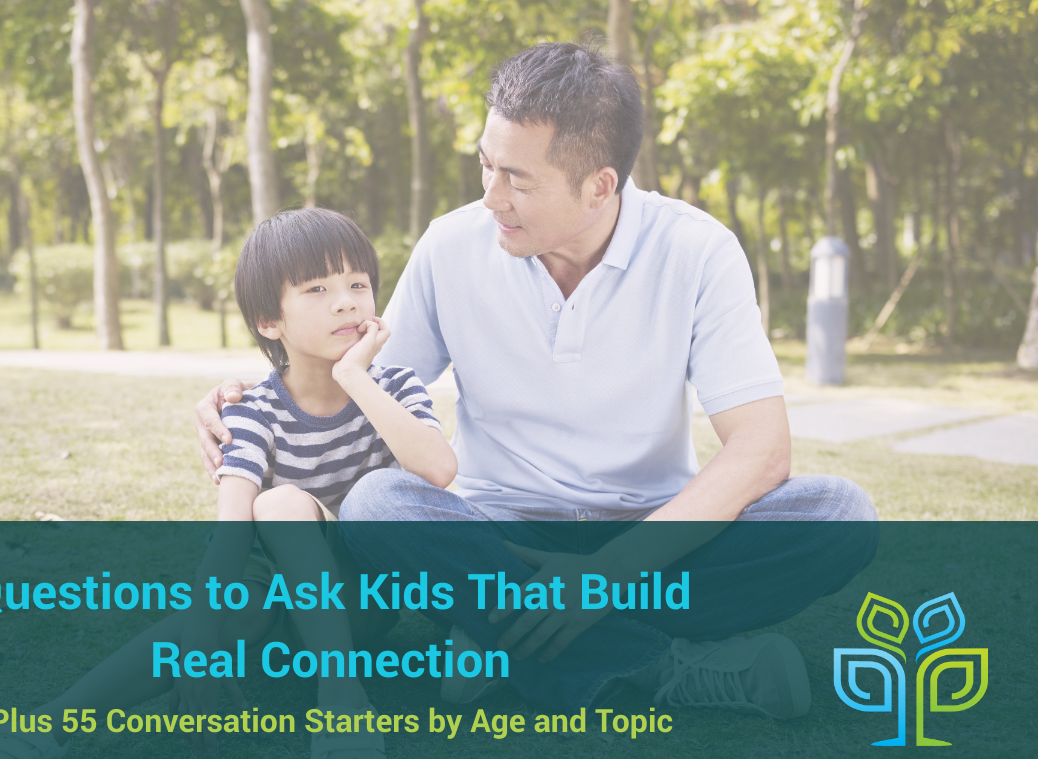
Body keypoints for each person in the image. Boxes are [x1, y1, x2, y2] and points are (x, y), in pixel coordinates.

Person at [195, 43, 878, 722]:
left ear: (599, 186)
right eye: (485, 165)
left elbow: (760, 450)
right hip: (493, 538)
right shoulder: (451, 246)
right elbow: (358, 381)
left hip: (648, 540)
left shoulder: (697, 251)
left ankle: (503, 647)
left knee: (839, 516)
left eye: (516, 180)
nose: (490, 196)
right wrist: (255, 396)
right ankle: (660, 668)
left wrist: (607, 574)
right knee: (381, 504)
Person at [0, 208, 456, 759]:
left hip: (364, 596)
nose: (346, 302)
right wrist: (203, 641)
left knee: (282, 507)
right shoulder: (254, 411)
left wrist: (357, 376)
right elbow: (232, 534)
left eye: (358, 284)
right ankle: (43, 731)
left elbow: (438, 468)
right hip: (276, 601)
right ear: (268, 320)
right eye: (318, 289)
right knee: (269, 524)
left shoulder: (395, 384)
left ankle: (342, 703)